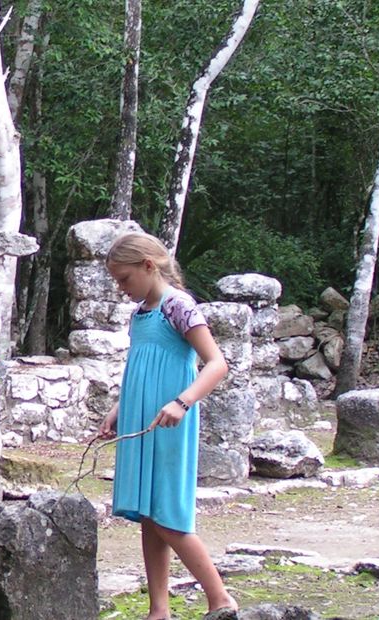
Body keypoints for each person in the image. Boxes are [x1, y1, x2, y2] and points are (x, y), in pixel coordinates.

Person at [98, 232, 239, 619]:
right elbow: (139, 368)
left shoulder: (179, 307)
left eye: (124, 279)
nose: (121, 289)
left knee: (168, 514)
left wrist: (183, 401)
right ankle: (159, 609)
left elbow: (216, 363)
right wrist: (118, 408)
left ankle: (220, 598)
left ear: (148, 265)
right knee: (148, 513)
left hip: (170, 424)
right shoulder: (140, 314)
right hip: (141, 421)